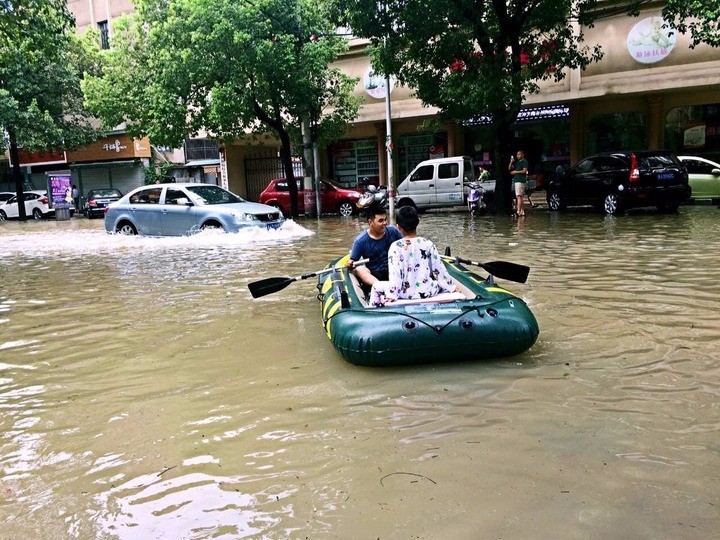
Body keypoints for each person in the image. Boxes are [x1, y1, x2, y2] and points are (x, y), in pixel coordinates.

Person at [369, 206, 458, 307]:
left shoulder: (395, 247)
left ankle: (373, 313)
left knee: (376, 286)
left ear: (398, 227)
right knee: (439, 284)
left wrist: (392, 295)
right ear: (418, 222)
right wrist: (452, 287)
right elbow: (439, 271)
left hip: (404, 294)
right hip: (427, 291)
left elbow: (395, 276)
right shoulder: (427, 243)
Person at [347, 203, 403, 292]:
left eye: (385, 220)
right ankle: (382, 288)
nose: (384, 223)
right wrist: (349, 264)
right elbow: (352, 261)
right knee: (359, 269)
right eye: (380, 221)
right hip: (375, 276)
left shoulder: (393, 232)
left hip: (395, 270)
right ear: (370, 222)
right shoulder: (360, 241)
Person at [509, 150, 529, 217]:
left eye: (519, 154)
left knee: (519, 196)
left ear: (522, 155)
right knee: (520, 196)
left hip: (520, 180)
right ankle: (522, 211)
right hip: (516, 180)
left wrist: (515, 172)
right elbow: (510, 168)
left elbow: (524, 171)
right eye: (517, 154)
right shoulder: (517, 162)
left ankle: (518, 211)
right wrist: (511, 162)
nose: (518, 156)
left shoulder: (524, 161)